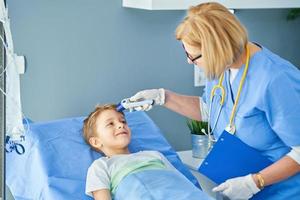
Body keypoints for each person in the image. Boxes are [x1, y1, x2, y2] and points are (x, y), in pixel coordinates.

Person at [129, 2, 300, 200]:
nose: (189, 61)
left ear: (217, 49)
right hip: (244, 186)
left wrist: (255, 182)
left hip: (284, 192)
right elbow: (212, 110)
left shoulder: (276, 79)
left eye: (193, 56)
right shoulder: (224, 66)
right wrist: (163, 97)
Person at [82, 104, 211, 200]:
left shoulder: (154, 155)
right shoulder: (101, 166)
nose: (121, 125)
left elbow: (182, 183)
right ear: (96, 142)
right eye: (110, 124)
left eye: (123, 121)